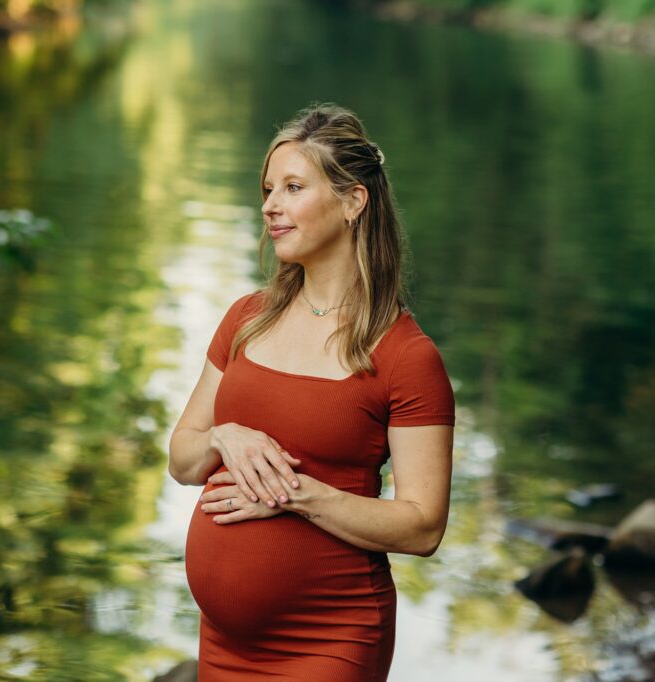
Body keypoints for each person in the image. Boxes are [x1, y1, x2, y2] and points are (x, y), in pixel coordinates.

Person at [168, 102, 456, 681]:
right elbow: (182, 458)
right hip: (222, 644)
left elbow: (423, 526)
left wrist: (291, 493)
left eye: (293, 187)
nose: (271, 205)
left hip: (329, 640)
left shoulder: (406, 357)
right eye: (268, 189)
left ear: (353, 202)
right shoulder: (246, 319)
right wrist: (226, 437)